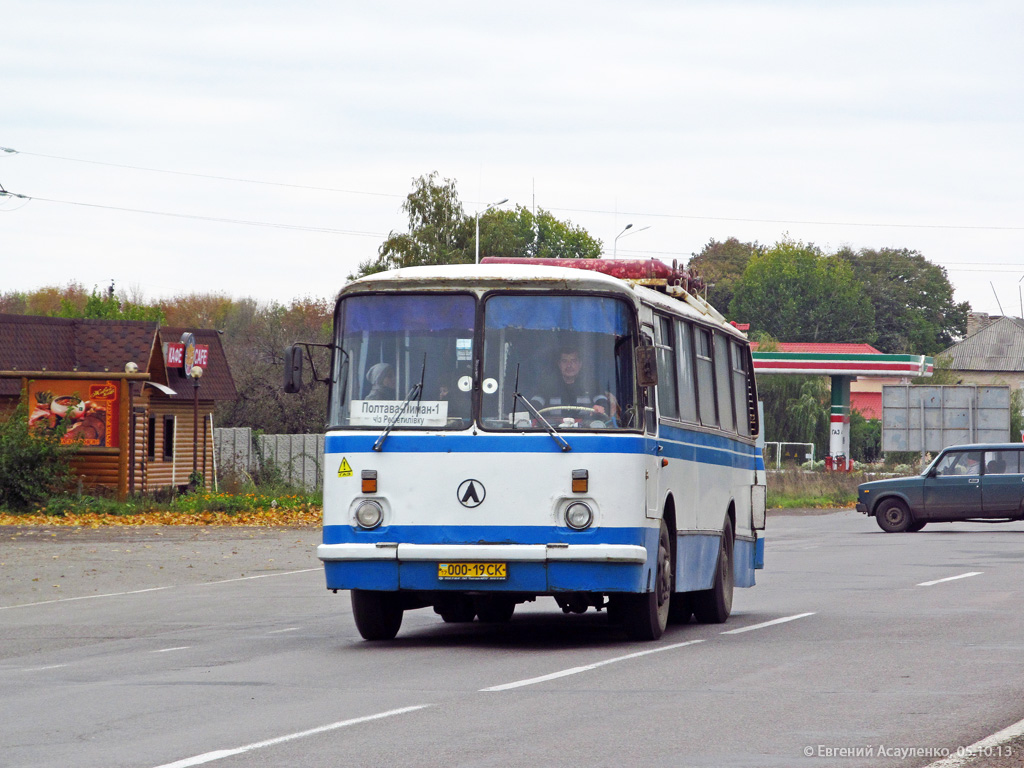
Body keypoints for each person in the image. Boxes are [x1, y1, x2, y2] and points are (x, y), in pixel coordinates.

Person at [531, 347, 610, 418]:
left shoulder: (591, 385)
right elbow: (534, 405)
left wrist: (600, 407)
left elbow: (603, 403)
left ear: (580, 364)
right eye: (564, 361)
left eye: (573, 361)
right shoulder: (547, 386)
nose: (569, 365)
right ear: (559, 364)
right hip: (553, 431)